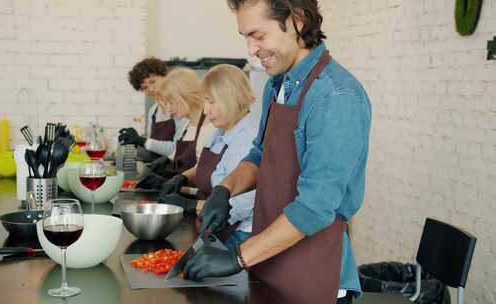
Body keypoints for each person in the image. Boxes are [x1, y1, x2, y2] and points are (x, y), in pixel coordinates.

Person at [182, 1, 372, 304]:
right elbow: (260, 154)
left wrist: (237, 257)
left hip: (314, 273)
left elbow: (315, 206)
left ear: (296, 20)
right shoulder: (277, 85)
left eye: (259, 36)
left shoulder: (336, 96)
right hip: (270, 261)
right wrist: (225, 190)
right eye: (245, 37)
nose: (251, 49)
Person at [158, 64, 259, 249]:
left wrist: (189, 205)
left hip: (236, 234)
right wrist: (181, 178)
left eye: (211, 102)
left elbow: (236, 206)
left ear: (232, 98)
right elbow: (208, 166)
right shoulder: (222, 130)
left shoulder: (248, 140)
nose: (205, 110)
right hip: (212, 224)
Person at [137, 67, 217, 189]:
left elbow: (204, 175)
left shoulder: (210, 128)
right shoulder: (187, 124)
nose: (168, 110)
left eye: (171, 102)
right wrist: (166, 160)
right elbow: (178, 155)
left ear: (185, 96)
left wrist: (174, 184)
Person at [118, 57, 189, 161]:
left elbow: (176, 149)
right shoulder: (153, 111)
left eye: (153, 82)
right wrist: (133, 143)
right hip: (156, 168)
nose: (150, 89)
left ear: (165, 77)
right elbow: (151, 145)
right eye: (144, 87)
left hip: (176, 169)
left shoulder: (181, 107)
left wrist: (142, 141)